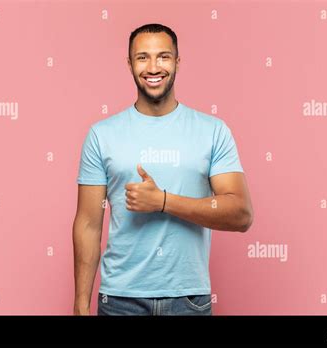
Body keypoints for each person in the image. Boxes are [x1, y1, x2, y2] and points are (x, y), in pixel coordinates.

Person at [73, 23, 253, 316]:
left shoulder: (212, 131)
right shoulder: (101, 135)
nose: (153, 67)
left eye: (163, 56)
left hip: (188, 299)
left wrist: (164, 202)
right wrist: (80, 305)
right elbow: (88, 224)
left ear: (177, 62)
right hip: (120, 299)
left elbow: (241, 214)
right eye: (143, 57)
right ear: (129, 63)